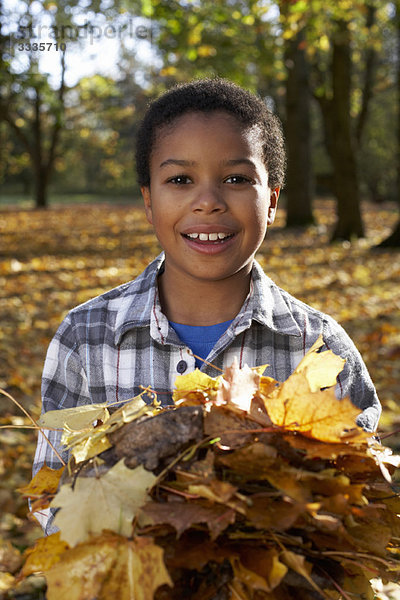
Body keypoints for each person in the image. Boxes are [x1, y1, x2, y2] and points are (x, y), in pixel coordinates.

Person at [33, 77, 381, 532]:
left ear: (272, 200)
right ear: (148, 201)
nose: (208, 203)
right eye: (180, 180)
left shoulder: (319, 347)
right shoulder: (86, 337)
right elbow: (51, 501)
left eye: (236, 179)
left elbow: (363, 500)